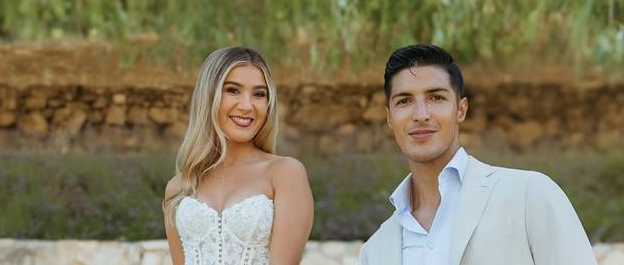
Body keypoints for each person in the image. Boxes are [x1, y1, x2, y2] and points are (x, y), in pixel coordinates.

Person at [359, 44, 596, 265]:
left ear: (461, 110)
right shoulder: (375, 251)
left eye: (436, 97)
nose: (421, 114)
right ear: (390, 117)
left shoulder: (529, 195)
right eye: (404, 101)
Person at [164, 46, 313, 265]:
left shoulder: (285, 173)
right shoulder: (179, 188)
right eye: (233, 90)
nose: (247, 106)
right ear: (209, 95)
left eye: (259, 94)